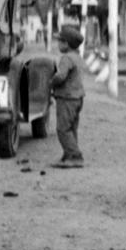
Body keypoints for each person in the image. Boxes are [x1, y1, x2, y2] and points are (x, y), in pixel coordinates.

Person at [50, 24, 85, 168]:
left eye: (60, 41)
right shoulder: (77, 57)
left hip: (67, 98)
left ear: (67, 43)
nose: (58, 44)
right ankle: (67, 156)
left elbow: (60, 76)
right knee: (71, 128)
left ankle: (76, 156)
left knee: (62, 129)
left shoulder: (66, 58)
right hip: (78, 98)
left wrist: (50, 83)